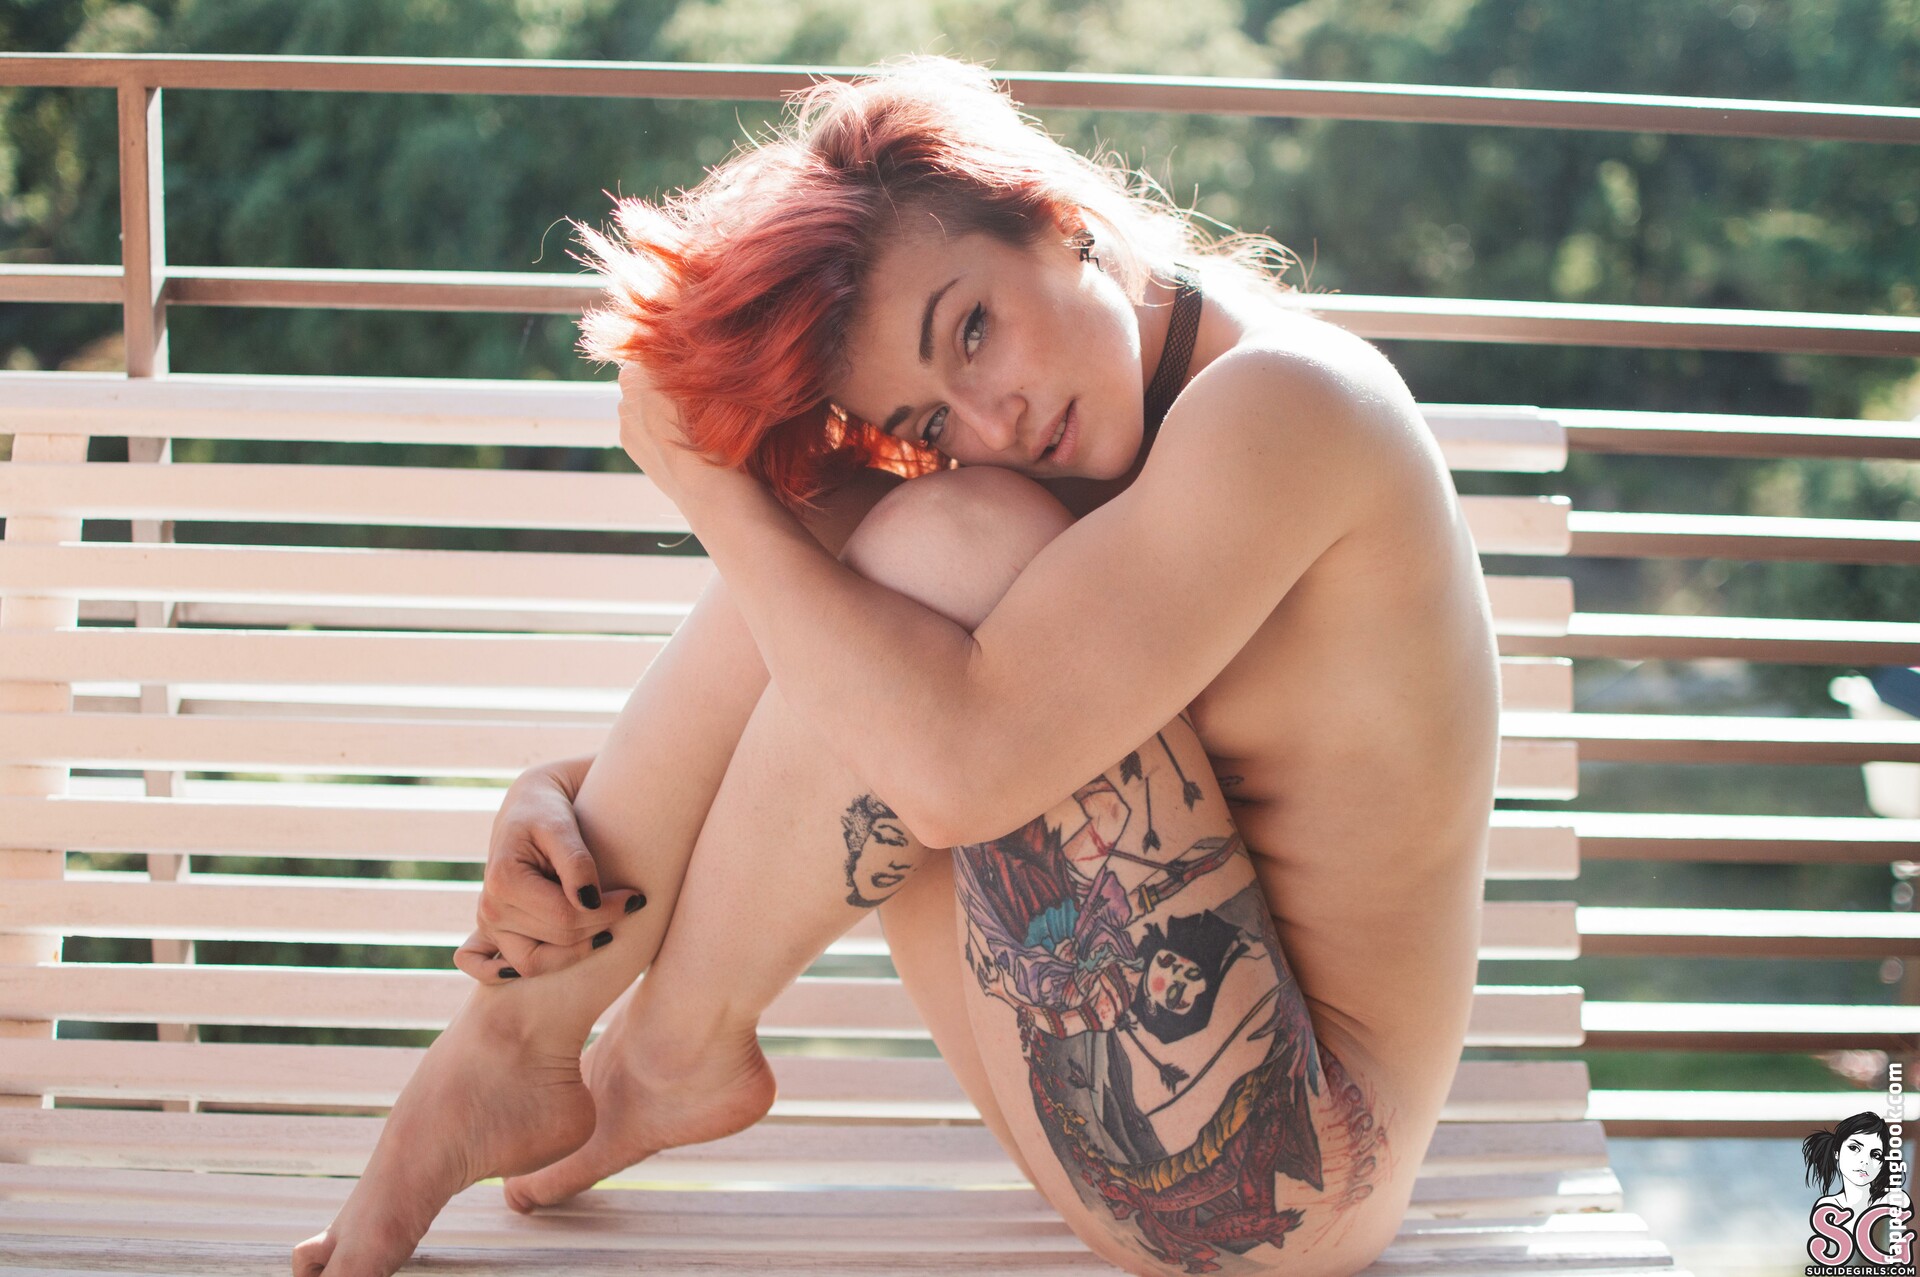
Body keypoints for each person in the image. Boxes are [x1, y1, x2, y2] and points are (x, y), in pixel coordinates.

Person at [293, 55, 1495, 1277]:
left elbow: (961, 768)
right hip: (1098, 1106)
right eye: (928, 418)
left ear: (1059, 218)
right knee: (869, 551)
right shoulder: (1073, 448)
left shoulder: (1293, 402)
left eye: (972, 328)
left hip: (1287, 1171)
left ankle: (659, 1050)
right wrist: (583, 797)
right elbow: (879, 696)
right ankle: (514, 1044)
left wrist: (713, 497)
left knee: (939, 544)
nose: (989, 419)